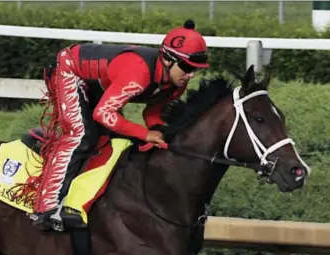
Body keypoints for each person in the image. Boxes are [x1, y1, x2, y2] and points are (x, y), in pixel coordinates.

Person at [30, 19, 209, 231]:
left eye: (196, 69)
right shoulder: (139, 73)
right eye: (187, 68)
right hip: (70, 69)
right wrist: (145, 134)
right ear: (168, 60)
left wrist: (159, 131)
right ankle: (45, 208)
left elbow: (152, 110)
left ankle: (77, 201)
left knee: (109, 141)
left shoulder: (177, 84)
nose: (190, 75)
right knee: (81, 135)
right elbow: (104, 113)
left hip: (98, 82)